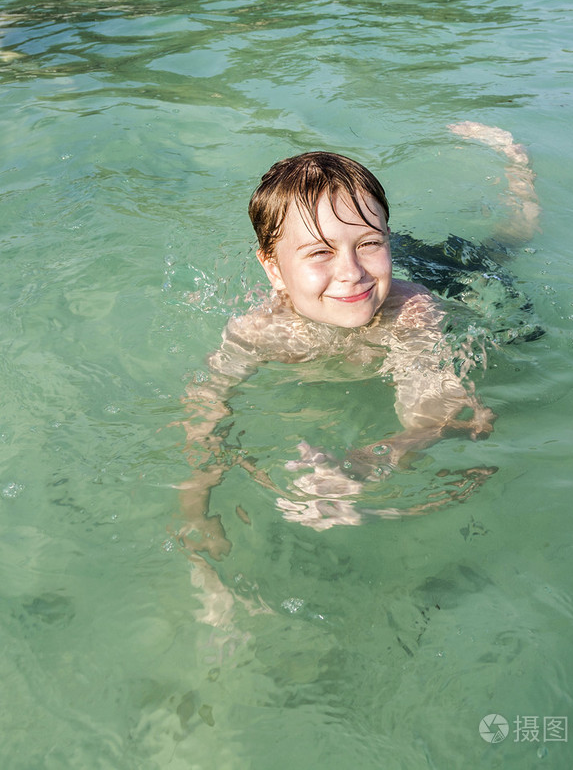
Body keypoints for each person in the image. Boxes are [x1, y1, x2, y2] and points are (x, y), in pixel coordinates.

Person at [176, 121, 541, 557]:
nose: (351, 271)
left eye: (369, 243)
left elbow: (439, 412)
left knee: (512, 240)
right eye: (319, 251)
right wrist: (195, 511)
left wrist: (370, 459)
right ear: (273, 269)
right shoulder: (258, 330)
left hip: (447, 276)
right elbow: (204, 412)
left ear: (386, 239)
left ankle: (516, 161)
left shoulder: (412, 313)